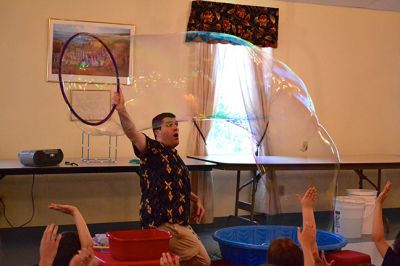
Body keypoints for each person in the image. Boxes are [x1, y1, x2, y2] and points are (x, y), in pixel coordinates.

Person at [113, 91, 211, 266]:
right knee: (202, 261)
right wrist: (121, 109)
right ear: (157, 131)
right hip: (163, 224)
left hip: (178, 224)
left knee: (195, 261)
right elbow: (132, 133)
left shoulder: (174, 155)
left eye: (176, 125)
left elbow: (175, 184)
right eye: (170, 125)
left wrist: (196, 199)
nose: (176, 128)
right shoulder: (152, 150)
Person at [372, 180, 400, 265]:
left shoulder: (395, 260)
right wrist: (379, 203)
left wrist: (378, 203)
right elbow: (378, 239)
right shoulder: (395, 260)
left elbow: (378, 239)